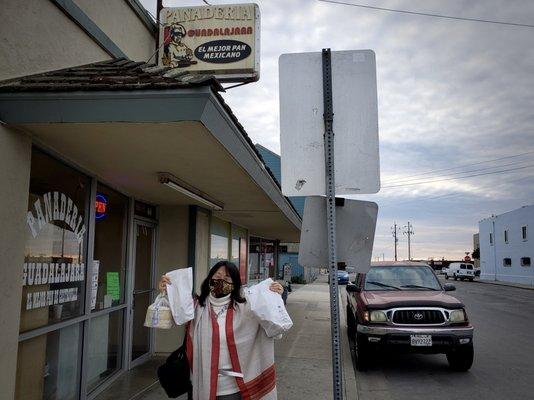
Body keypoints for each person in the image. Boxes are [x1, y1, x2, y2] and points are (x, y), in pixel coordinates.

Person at [159, 261, 287, 400]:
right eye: (217, 276)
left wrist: (275, 298)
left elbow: (275, 329)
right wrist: (167, 292)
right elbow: (167, 318)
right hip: (202, 386)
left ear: (235, 283)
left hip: (234, 389)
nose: (220, 280)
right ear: (209, 278)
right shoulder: (195, 307)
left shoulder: (247, 309)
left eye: (227, 278)